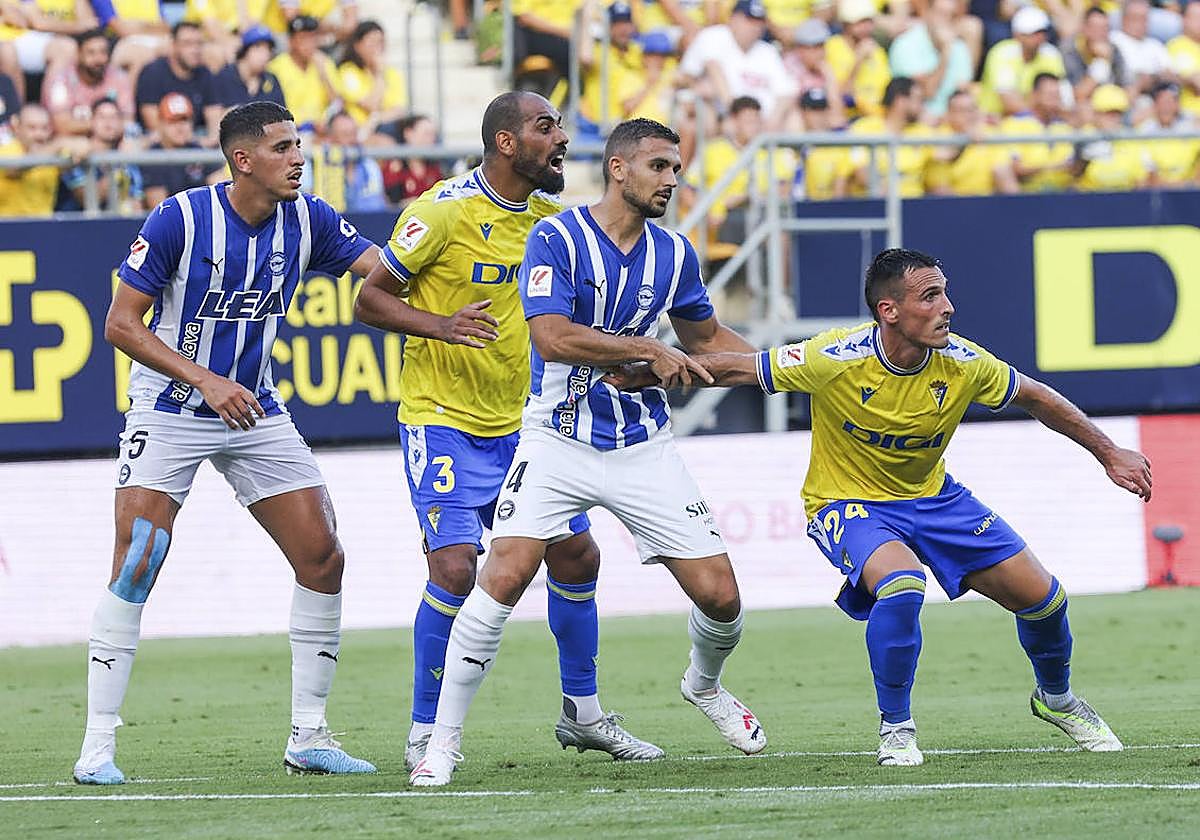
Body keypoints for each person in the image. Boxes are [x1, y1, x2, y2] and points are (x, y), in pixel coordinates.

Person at [656, 247, 1147, 765]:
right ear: (889, 310)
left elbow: (1037, 397)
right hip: (847, 502)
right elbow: (739, 369)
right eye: (930, 297)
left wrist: (1109, 452)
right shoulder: (833, 357)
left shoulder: (964, 362)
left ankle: (1058, 700)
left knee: (1045, 599)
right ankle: (897, 729)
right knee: (901, 584)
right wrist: (648, 369)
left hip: (935, 499)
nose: (948, 308)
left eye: (945, 293)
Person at [408, 117, 768, 788]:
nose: (672, 180)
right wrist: (648, 348)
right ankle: (441, 745)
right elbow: (549, 336)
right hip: (556, 440)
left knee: (721, 597)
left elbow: (708, 336)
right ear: (620, 169)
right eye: (659, 166)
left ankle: (704, 686)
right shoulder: (557, 236)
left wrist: (791, 369)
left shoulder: (675, 253)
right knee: (504, 576)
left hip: (641, 444)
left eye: (677, 168)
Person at [71, 100, 382, 786]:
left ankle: (310, 735)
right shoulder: (181, 217)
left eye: (299, 145)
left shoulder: (310, 218)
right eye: (282, 147)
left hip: (254, 406)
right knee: (139, 557)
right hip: (175, 402)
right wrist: (206, 380)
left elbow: (384, 269)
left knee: (323, 556)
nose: (298, 158)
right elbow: (122, 324)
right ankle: (97, 747)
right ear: (243, 160)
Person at [355, 92, 664, 772]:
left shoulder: (554, 223)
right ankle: (423, 732)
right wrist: (441, 325)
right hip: (442, 421)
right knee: (456, 567)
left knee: (577, 558)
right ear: (505, 142)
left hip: (524, 429)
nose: (561, 138)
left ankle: (582, 715)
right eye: (545, 127)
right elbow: (368, 297)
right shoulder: (441, 212)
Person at [134, 21, 221, 142]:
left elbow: (214, 117)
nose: (195, 50)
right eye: (188, 44)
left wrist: (210, 140)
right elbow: (152, 123)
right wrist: (189, 139)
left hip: (195, 143)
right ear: (173, 45)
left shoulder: (205, 73)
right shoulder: (153, 72)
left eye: (199, 44)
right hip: (158, 145)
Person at [41, 27, 134, 136]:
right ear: (79, 54)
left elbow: (128, 121)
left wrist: (98, 126)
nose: (98, 59)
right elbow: (61, 126)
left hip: (110, 142)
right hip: (72, 143)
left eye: (103, 52)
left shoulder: (119, 78)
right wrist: (105, 124)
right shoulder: (61, 81)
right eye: (91, 53)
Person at [979, 6, 1066, 116]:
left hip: (1040, 121)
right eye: (1033, 33)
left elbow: (1063, 99)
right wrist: (1040, 109)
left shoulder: (1051, 54)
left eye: (1042, 32)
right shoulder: (1002, 53)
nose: (1039, 37)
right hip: (996, 122)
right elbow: (1009, 103)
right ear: (1017, 35)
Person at [141, 93, 224, 207]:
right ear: (160, 124)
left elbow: (221, 193)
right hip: (172, 221)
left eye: (184, 120)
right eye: (173, 121)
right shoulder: (153, 157)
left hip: (202, 217)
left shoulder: (199, 151)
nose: (180, 127)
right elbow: (160, 209)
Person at [268, 15, 340, 133]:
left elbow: (337, 104)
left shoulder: (324, 62)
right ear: (291, 41)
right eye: (303, 38)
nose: (309, 44)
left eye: (312, 38)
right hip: (290, 131)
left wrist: (324, 75)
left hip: (323, 132)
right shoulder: (276, 67)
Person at [0, 103, 61, 217]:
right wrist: (56, 146)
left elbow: (83, 149)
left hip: (45, 227)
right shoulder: (5, 150)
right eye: (32, 128)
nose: (39, 134)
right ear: (17, 128)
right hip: (6, 228)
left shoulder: (53, 151)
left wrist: (70, 145)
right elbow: (13, 169)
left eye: (44, 128)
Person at [212, 25, 287, 110]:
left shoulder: (271, 80)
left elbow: (283, 118)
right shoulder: (224, 77)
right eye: (258, 48)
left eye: (268, 49)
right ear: (245, 50)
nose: (265, 55)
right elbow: (215, 117)